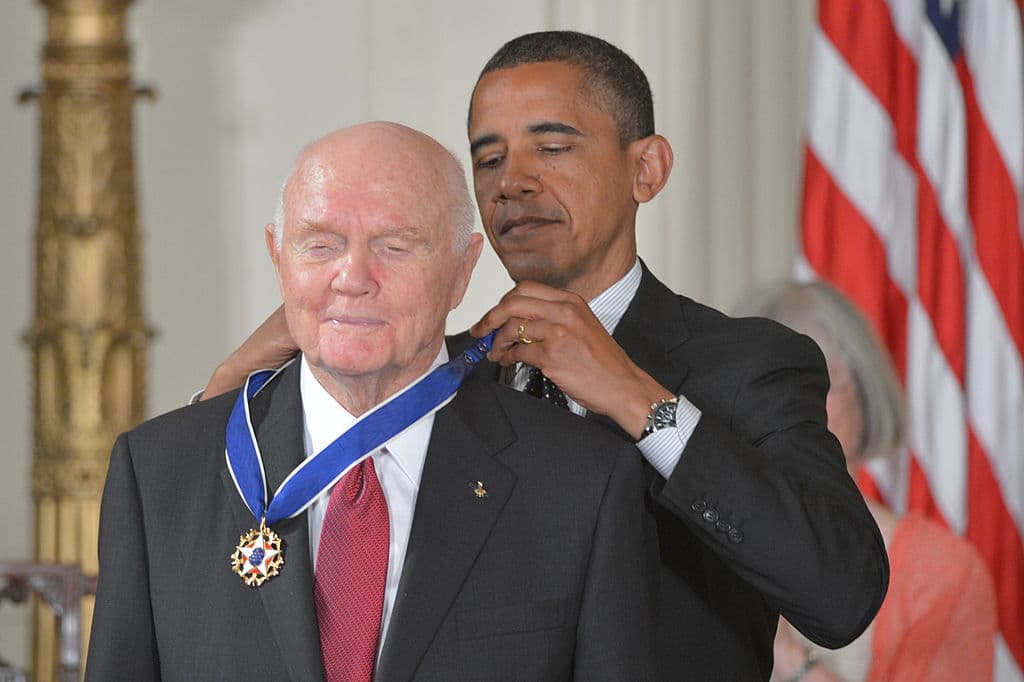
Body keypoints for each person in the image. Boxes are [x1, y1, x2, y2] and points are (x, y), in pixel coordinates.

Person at [201, 32, 889, 680]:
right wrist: (228, 397)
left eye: (552, 148)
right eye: (490, 159)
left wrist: (633, 397)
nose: (513, 183)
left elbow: (840, 594)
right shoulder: (425, 379)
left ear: (646, 169)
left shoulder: (748, 363)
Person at [86, 122, 660, 681]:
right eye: (320, 245)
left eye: (394, 245)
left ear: (462, 270)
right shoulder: (159, 472)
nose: (353, 277)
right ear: (278, 257)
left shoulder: (581, 481)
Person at [736, 281, 997, 682]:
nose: (786, 413)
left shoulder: (942, 574)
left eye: (813, 387)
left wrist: (791, 662)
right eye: (765, 391)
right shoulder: (695, 543)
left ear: (865, 398)